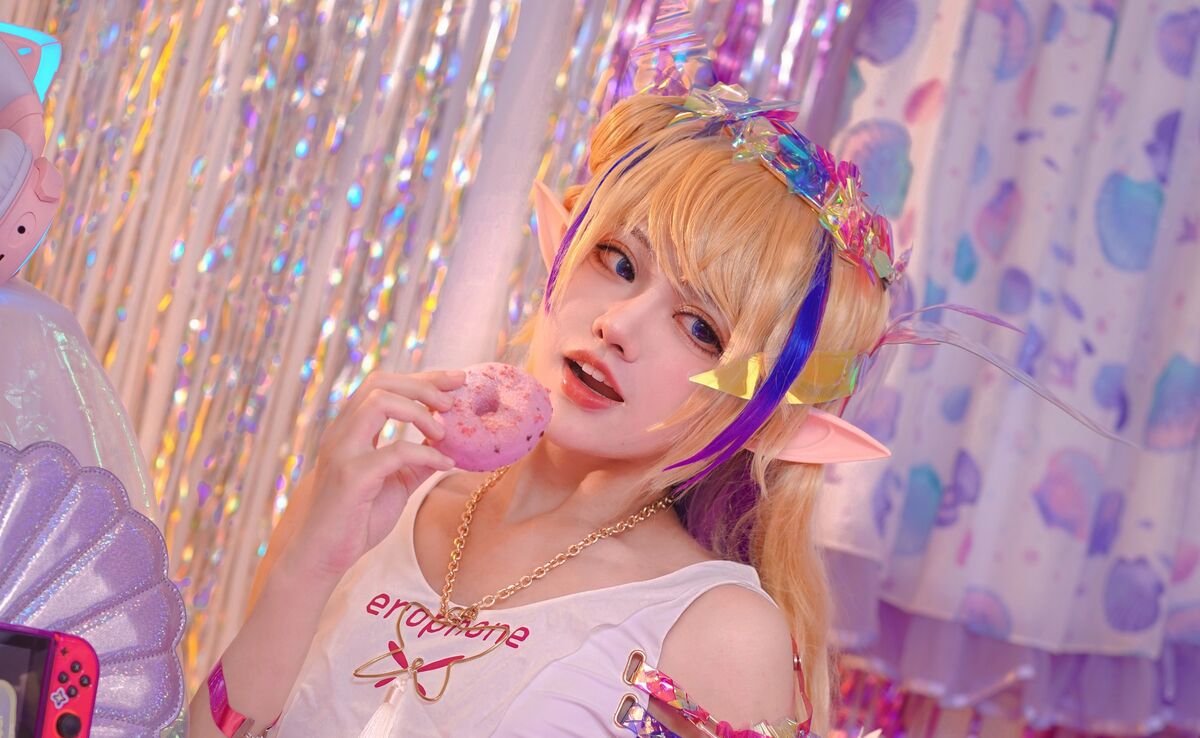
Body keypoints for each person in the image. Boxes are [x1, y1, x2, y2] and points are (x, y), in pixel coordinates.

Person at [187, 76, 905, 737]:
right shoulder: (375, 504)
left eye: (700, 328)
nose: (617, 324)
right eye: (619, 262)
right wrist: (309, 565)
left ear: (764, 412)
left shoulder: (719, 632)